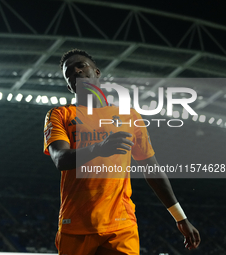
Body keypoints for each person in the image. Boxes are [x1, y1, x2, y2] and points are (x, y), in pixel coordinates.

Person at [43, 49, 200, 255]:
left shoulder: (129, 116)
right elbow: (60, 159)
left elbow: (151, 169)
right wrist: (100, 147)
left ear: (97, 72)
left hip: (120, 225)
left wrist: (180, 217)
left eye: (81, 65)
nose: (77, 71)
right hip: (75, 226)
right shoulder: (59, 115)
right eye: (70, 72)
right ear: (69, 84)